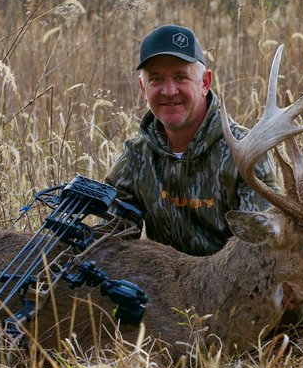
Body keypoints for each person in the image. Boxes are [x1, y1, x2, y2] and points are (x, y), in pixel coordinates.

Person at [104, 23, 279, 258]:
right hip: (163, 288)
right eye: (156, 79)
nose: (169, 90)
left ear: (205, 82)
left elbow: (263, 250)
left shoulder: (245, 152)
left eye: (180, 77)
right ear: (143, 88)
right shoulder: (135, 159)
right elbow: (114, 247)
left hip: (233, 287)